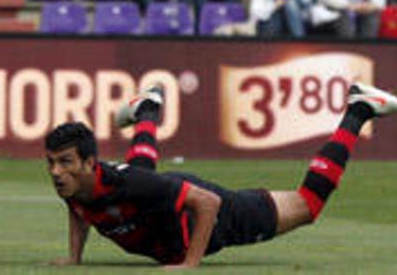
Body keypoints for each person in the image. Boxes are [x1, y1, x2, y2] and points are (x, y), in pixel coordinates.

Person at [45, 83, 397, 268]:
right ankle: (148, 108)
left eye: (64, 163)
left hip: (218, 215)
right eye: (52, 163)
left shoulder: (126, 184)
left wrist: (189, 264)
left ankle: (358, 109)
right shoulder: (77, 186)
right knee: (142, 179)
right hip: (155, 199)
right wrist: (75, 256)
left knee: (308, 206)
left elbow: (208, 202)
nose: (56, 173)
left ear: (91, 163)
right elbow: (78, 207)